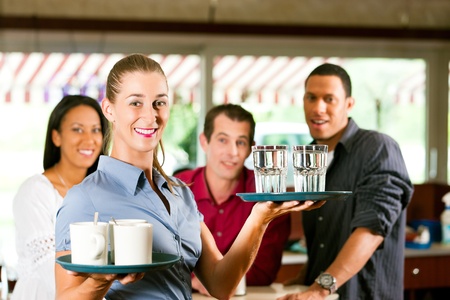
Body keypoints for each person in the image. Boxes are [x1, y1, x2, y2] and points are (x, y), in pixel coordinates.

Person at [54, 53, 321, 300]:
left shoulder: (180, 193)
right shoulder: (84, 199)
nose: (151, 115)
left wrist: (260, 217)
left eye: (159, 102)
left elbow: (220, 283)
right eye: (135, 102)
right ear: (109, 109)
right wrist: (103, 279)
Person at [279, 63, 413, 300]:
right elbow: (326, 239)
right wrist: (306, 276)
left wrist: (320, 289)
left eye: (329, 99)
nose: (318, 108)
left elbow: (371, 230)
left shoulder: (378, 148)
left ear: (349, 104)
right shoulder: (310, 158)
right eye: (311, 97)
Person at [175, 104, 291, 295]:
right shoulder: (177, 189)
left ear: (251, 148)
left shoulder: (269, 194)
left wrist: (209, 279)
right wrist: (196, 280)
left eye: (241, 142)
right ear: (204, 142)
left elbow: (263, 272)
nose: (233, 152)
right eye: (223, 140)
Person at [11, 95, 108, 299]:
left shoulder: (104, 192)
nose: (89, 139)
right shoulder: (36, 192)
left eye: (96, 129)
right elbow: (51, 270)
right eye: (77, 129)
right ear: (56, 137)